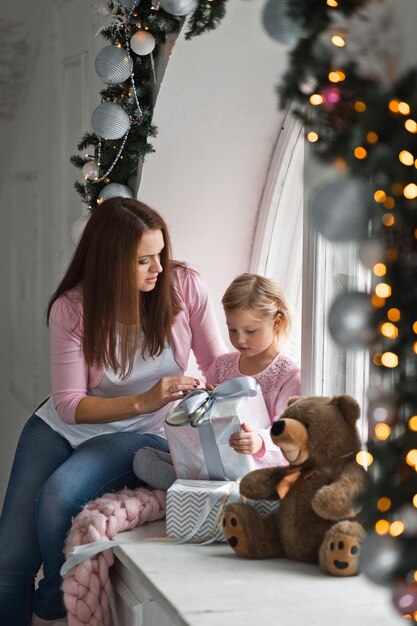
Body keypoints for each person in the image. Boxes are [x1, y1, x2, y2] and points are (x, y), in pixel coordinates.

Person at [0, 197, 226, 626]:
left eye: (160, 254)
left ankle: (50, 605)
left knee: (57, 499)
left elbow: (217, 365)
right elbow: (68, 405)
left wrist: (264, 370)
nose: (158, 269)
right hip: (60, 426)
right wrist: (146, 397)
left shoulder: (184, 288)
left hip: (139, 431)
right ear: (109, 264)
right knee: (8, 563)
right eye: (144, 260)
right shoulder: (72, 308)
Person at [134, 272, 301, 489]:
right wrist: (199, 395)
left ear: (277, 322)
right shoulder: (223, 365)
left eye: (250, 331)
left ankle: (197, 491)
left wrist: (259, 442)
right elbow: (203, 418)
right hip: (211, 460)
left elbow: (288, 434)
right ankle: (200, 489)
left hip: (256, 468)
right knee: (143, 460)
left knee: (262, 483)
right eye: (232, 329)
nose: (240, 339)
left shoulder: (287, 374)